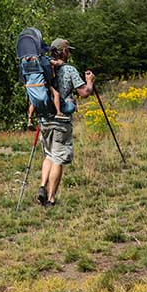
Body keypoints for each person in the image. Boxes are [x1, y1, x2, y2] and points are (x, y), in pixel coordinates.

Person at [37, 38, 95, 207]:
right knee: (58, 159)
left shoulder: (44, 69)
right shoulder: (69, 70)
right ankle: (51, 198)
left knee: (48, 155)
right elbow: (84, 92)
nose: (69, 53)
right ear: (63, 52)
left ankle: (42, 186)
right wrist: (90, 81)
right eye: (68, 50)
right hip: (61, 122)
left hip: (45, 120)